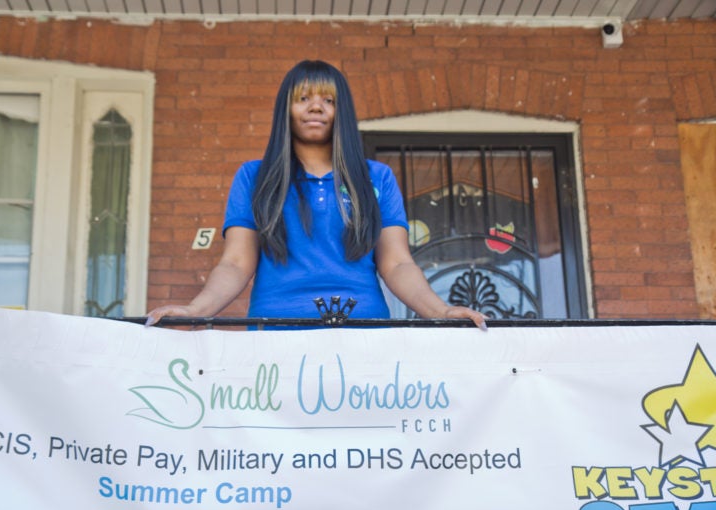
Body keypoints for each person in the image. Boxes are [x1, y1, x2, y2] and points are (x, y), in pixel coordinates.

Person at [145, 60, 487, 330]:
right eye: (303, 98)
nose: (316, 107)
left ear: (342, 112)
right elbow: (235, 263)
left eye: (328, 100)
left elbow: (396, 263)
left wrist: (441, 311)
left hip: (365, 332)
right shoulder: (254, 176)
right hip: (276, 331)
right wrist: (195, 310)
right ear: (286, 110)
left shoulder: (375, 177)